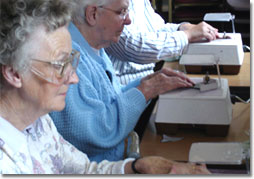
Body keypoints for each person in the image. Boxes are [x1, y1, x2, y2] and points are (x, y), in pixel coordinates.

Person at [0, 0, 211, 175]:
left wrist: (135, 168)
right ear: (13, 73)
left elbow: (81, 168)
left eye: (71, 61)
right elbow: (96, 134)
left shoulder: (38, 123)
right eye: (60, 65)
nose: (73, 78)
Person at [50, 0, 196, 163]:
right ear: (92, 14)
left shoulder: (93, 47)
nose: (128, 20)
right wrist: (144, 91)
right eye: (121, 12)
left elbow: (111, 99)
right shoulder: (68, 58)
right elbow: (96, 134)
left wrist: (148, 83)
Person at [105, 0, 220, 139]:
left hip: (142, 86)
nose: (127, 19)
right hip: (124, 97)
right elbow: (132, 47)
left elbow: (156, 29)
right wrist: (187, 36)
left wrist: (183, 28)